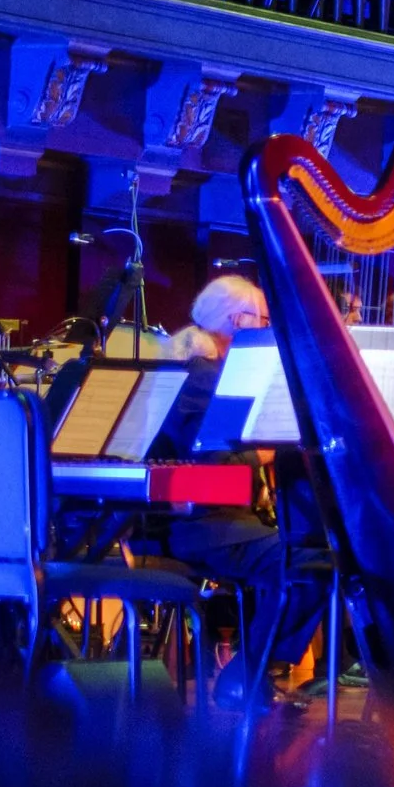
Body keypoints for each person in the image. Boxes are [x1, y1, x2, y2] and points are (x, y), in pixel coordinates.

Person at [147, 274, 327, 706]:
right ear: (236, 320)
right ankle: (250, 673)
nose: (269, 326)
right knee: (310, 562)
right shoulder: (204, 376)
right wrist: (271, 452)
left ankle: (253, 673)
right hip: (196, 524)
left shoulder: (204, 368)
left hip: (211, 520)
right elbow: (210, 460)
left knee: (301, 554)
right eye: (263, 318)